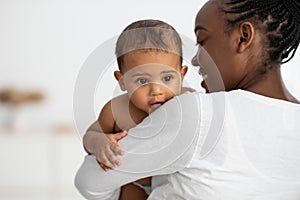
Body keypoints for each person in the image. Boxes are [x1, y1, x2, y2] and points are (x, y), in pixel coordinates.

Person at [75, 0, 300, 199]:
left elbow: (88, 182)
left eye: (202, 41)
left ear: (243, 37)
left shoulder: (197, 112)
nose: (194, 60)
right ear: (122, 80)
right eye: (143, 79)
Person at [82, 19, 193, 199]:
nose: (156, 90)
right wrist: (98, 142)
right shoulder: (115, 111)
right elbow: (89, 135)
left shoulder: (188, 101)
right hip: (135, 183)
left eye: (167, 79)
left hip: (171, 180)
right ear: (122, 80)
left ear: (182, 74)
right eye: (142, 81)